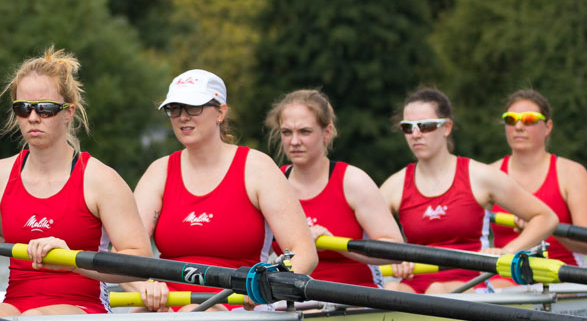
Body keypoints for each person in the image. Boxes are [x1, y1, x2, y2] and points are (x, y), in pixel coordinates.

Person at [0, 48, 151, 316]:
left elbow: (141, 262)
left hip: (83, 308)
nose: (33, 117)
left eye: (46, 109)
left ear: (68, 112)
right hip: (15, 305)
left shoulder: (100, 180)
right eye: (23, 108)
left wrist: (73, 261)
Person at [130, 69, 320, 308]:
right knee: (143, 311)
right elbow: (124, 253)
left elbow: (304, 253)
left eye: (193, 107)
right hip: (168, 305)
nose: (182, 117)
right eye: (175, 109)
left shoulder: (257, 168)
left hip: (239, 304)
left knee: (193, 312)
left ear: (220, 112)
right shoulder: (159, 172)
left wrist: (266, 288)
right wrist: (143, 287)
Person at [375, 87, 558, 290]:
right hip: (415, 284)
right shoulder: (395, 185)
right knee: (392, 289)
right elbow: (365, 236)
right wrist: (391, 257)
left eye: (425, 126)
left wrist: (508, 251)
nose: (415, 134)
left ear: (446, 128)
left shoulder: (480, 176)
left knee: (437, 289)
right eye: (408, 127)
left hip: (470, 283)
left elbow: (546, 217)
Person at [266, 88, 414, 291]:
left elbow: (395, 250)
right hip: (295, 299)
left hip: (353, 297)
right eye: (286, 132)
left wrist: (333, 242)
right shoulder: (272, 183)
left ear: (326, 133)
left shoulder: (353, 181)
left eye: (305, 132)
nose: (294, 141)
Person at [489, 87, 587, 268]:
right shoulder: (489, 175)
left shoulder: (572, 174)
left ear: (548, 127)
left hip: (560, 275)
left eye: (529, 120)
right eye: (511, 120)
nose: (518, 127)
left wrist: (543, 226)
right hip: (504, 275)